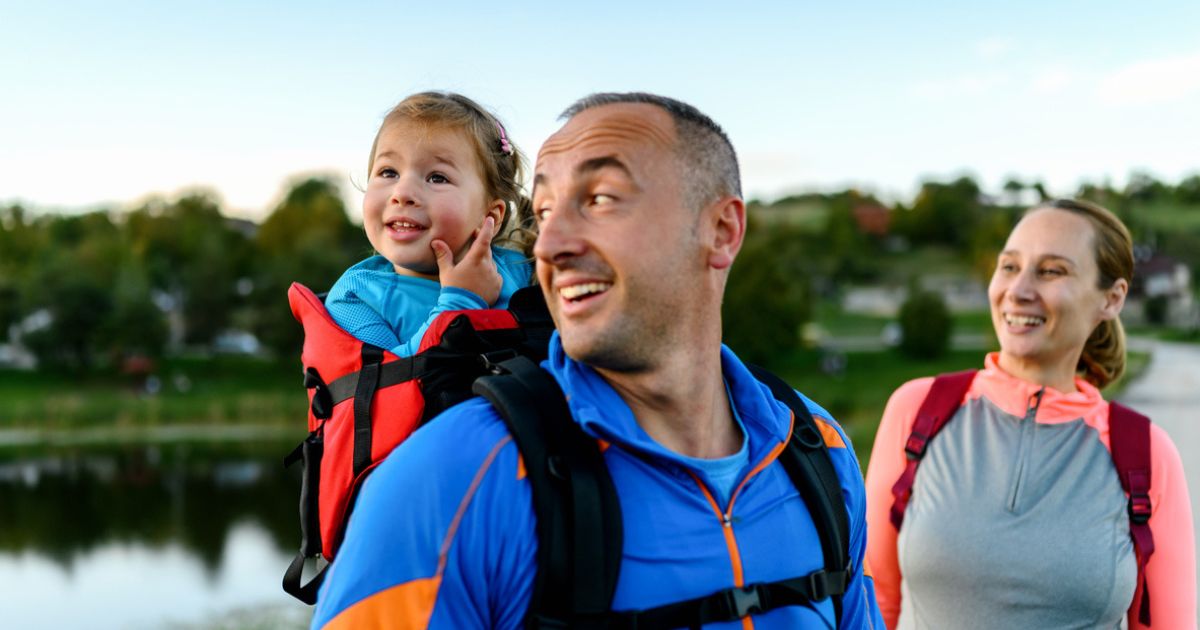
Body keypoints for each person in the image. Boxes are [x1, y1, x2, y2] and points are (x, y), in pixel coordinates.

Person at [311, 93, 885, 628]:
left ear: (721, 229)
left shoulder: (820, 451)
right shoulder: (443, 479)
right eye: (545, 209)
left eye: (601, 200)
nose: (549, 244)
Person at [864, 199, 1196, 629]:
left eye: (1051, 271)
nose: (1018, 290)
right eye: (1008, 266)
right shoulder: (918, 411)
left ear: (1111, 299)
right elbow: (873, 604)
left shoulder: (1145, 453)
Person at [324, 92, 533, 357]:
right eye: (389, 172)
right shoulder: (357, 297)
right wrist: (460, 302)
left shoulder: (521, 271)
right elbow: (392, 385)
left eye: (437, 178)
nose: (402, 192)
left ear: (489, 216)